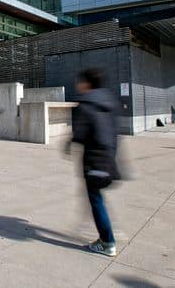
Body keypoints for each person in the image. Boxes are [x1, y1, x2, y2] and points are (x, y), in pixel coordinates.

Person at [66, 68, 121, 257]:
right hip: (108, 158)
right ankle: (106, 235)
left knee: (96, 200)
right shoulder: (109, 102)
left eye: (80, 81)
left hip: (93, 161)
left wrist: (70, 142)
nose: (78, 85)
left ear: (87, 84)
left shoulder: (85, 105)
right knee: (97, 199)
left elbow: (80, 135)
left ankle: (108, 241)